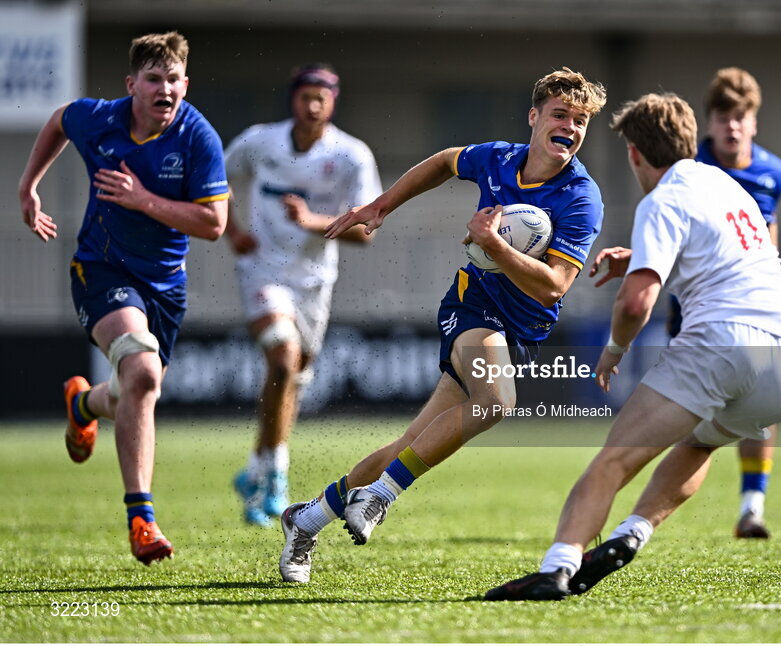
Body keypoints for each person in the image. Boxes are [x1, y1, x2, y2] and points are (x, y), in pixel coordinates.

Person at [276, 67, 607, 583]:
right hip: (472, 305)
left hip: (522, 331)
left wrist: (495, 244)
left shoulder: (581, 197)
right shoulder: (499, 158)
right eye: (560, 114)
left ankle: (306, 519)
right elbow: (445, 162)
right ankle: (382, 497)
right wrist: (382, 204)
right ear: (535, 117)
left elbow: (555, 286)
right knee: (498, 400)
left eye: (581, 120)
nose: (569, 126)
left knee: (404, 446)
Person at [484, 92, 781, 601]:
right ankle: (631, 533)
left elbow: (637, 304)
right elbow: (730, 251)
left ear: (635, 154)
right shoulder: (724, 183)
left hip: (721, 343)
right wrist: (640, 256)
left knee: (613, 462)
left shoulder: (661, 199)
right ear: (688, 140)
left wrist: (613, 350)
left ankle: (557, 567)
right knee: (699, 442)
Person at [17, 32, 228, 565]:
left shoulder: (197, 137)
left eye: (174, 79)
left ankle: (82, 403)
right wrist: (28, 187)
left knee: (134, 387)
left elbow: (214, 224)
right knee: (144, 371)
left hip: (165, 287)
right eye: (154, 79)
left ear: (186, 83)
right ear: (131, 85)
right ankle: (142, 519)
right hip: (101, 269)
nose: (165, 89)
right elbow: (61, 119)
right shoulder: (101, 120)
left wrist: (143, 199)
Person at [223, 64, 382, 527]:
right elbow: (213, 180)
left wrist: (312, 220)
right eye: (305, 96)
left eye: (322, 98)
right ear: (292, 99)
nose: (312, 105)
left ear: (333, 102)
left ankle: (256, 466)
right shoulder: (259, 141)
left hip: (314, 281)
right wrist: (232, 230)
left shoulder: (351, 155)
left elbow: (366, 230)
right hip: (261, 271)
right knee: (282, 357)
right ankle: (277, 476)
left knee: (291, 376)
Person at [666, 67, 781, 539]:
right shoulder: (689, 170)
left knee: (762, 405)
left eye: (741, 116)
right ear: (709, 123)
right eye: (723, 116)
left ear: (754, 122)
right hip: (697, 313)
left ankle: (751, 509)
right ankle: (659, 509)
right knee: (691, 418)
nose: (732, 126)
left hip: (757, 312)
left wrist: (775, 266)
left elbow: (768, 227)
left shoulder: (773, 172)